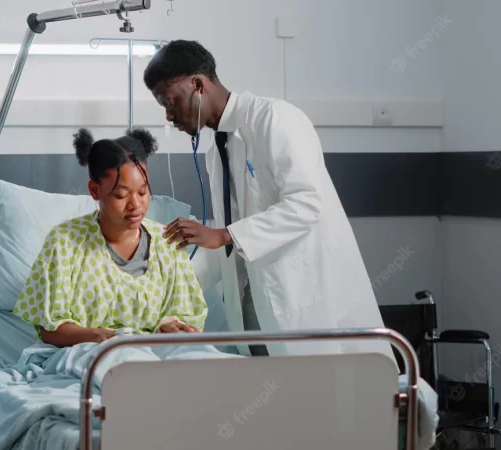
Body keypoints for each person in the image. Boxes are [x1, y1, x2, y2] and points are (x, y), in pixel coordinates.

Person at [143, 40, 396, 364]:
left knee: (333, 396)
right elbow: (228, 240)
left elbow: (307, 202)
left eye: (170, 100)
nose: (169, 115)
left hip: (303, 295)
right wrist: (171, 299)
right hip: (255, 301)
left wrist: (223, 235)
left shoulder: (274, 119)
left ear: (197, 85)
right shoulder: (216, 149)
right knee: (276, 400)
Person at [12, 127, 208, 347]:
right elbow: (49, 330)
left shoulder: (168, 243)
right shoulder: (64, 243)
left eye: (143, 192)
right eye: (121, 195)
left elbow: (187, 318)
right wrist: (101, 338)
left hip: (157, 357)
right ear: (95, 191)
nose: (136, 205)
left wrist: (171, 327)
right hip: (87, 355)